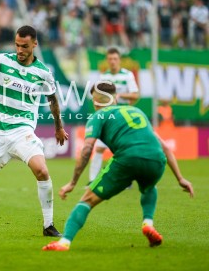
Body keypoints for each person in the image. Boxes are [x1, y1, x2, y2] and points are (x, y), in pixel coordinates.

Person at [42, 82, 194, 251]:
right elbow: (165, 147)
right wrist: (180, 178)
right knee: (149, 186)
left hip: (128, 158)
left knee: (86, 200)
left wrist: (72, 182)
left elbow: (86, 150)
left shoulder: (98, 116)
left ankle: (64, 243)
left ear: (96, 101)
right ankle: (148, 223)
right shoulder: (136, 111)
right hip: (156, 160)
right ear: (115, 98)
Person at [0, 25, 69, 237]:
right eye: (17, 45)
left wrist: (59, 127)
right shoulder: (1, 61)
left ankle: (48, 225)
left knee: (42, 170)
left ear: (35, 44)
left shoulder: (43, 73)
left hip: (22, 132)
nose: (20, 50)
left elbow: (52, 100)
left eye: (25, 46)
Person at [88, 47, 139, 184]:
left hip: (123, 116)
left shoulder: (127, 75)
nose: (112, 62)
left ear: (119, 60)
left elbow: (135, 95)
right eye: (110, 59)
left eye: (115, 59)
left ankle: (127, 180)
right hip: (108, 117)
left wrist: (119, 95)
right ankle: (92, 180)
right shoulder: (104, 77)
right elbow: (98, 96)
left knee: (124, 149)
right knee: (99, 147)